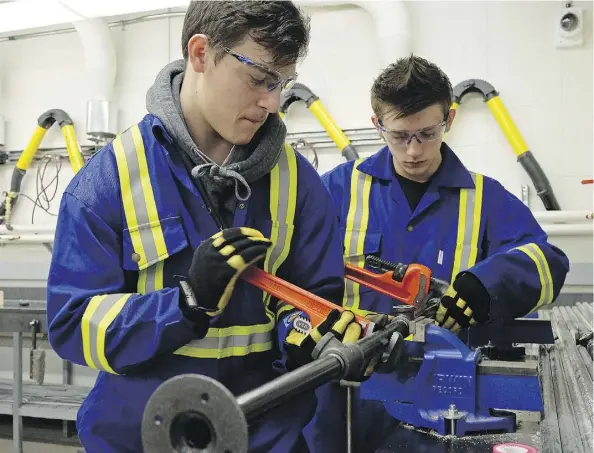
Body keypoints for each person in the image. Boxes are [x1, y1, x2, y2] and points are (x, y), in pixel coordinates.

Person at [46, 2, 363, 452]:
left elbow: (315, 299)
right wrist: (185, 304)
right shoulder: (110, 179)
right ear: (200, 53)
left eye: (282, 84)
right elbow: (73, 324)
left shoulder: (300, 185)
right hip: (142, 438)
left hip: (266, 438)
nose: (273, 103)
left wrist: (305, 334)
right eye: (259, 79)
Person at [309, 54, 570, 452]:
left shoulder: (483, 198)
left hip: (446, 407)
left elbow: (549, 261)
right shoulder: (336, 190)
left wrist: (485, 286)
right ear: (378, 125)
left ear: (448, 119)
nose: (413, 150)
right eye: (399, 135)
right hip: (348, 402)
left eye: (427, 133)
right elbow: (294, 274)